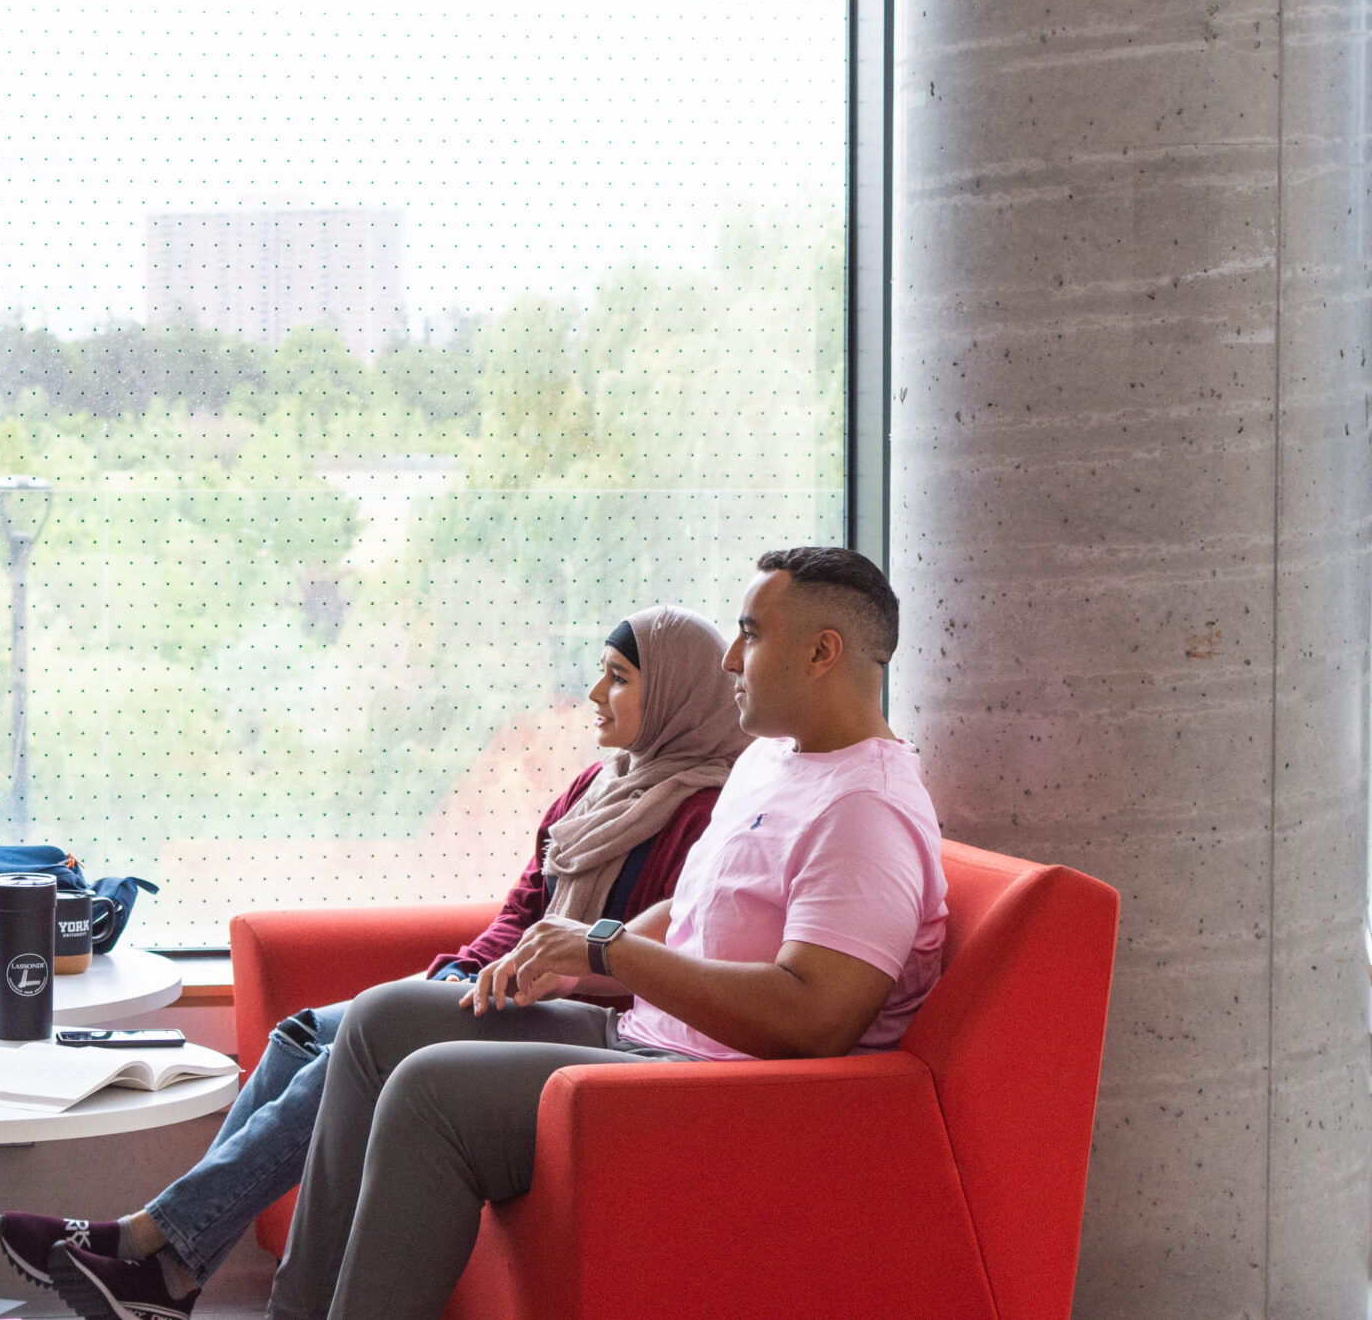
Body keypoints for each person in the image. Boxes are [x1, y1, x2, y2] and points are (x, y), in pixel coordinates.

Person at [128, 546, 944, 1320]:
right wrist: (565, 953)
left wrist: (607, 950)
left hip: (721, 1087)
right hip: (647, 1036)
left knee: (431, 1089)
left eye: (752, 633)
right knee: (382, 1020)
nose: (731, 657)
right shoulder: (775, 761)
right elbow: (692, 914)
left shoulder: (866, 810)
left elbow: (816, 1017)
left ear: (822, 652)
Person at [2, 602, 753, 1320]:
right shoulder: (595, 786)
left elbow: (656, 965)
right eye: (600, 670)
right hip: (495, 986)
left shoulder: (702, 813)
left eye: (620, 676)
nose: (595, 692)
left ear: (679, 697)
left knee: (346, 1058)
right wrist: (457, 974)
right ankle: (167, 1268)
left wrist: (530, 976)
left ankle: (155, 1251)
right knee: (303, 1034)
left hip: (565, 1012)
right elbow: (522, 911)